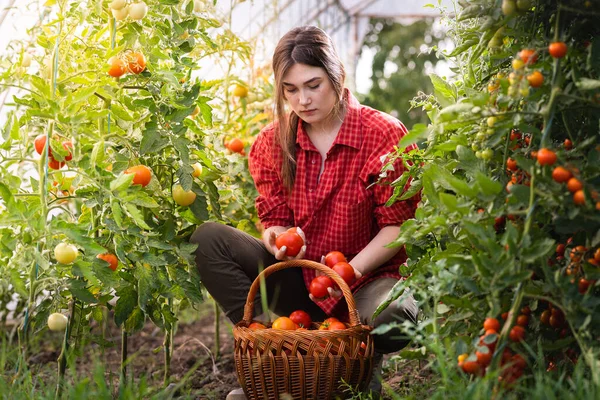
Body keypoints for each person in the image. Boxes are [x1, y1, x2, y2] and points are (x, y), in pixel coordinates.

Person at [190, 25, 420, 400]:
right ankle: (282, 354)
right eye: (291, 90)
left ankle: (355, 369)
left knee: (393, 316)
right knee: (208, 239)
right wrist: (277, 241)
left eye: (313, 85)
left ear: (336, 76)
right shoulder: (272, 141)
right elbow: (274, 218)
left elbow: (397, 228)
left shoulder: (382, 134)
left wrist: (348, 273)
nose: (303, 100)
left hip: (364, 283)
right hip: (300, 280)